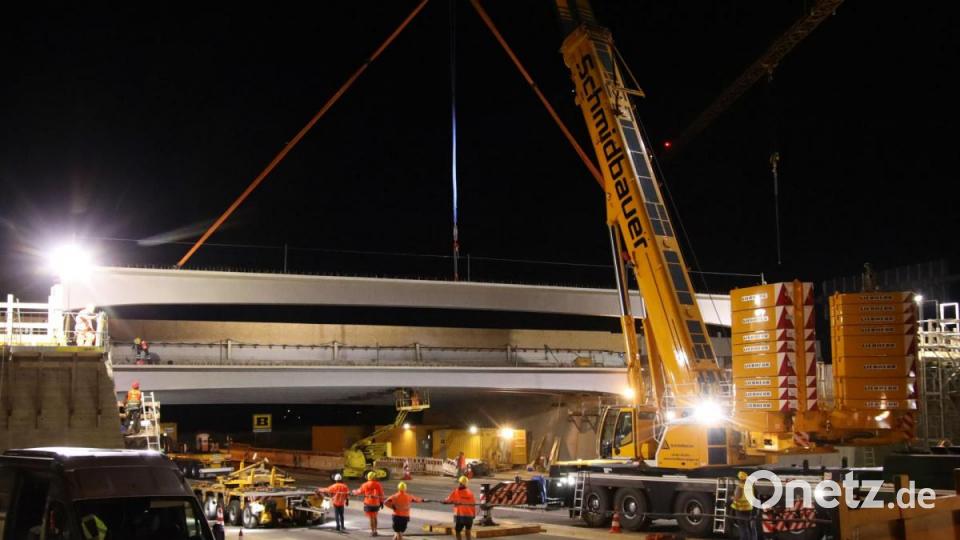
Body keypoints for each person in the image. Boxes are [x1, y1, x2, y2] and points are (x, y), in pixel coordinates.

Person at [444, 476, 476, 540]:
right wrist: (473, 515)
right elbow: (473, 505)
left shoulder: (457, 492)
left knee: (458, 531)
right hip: (469, 516)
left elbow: (448, 500)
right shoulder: (470, 493)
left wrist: (444, 501)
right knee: (468, 532)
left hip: (460, 516)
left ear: (460, 483)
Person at [353, 471, 385, 536]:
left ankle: (372, 531)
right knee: (375, 517)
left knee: (371, 518)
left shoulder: (365, 484)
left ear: (368, 477)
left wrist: (353, 492)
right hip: (376, 504)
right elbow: (381, 494)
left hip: (368, 504)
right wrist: (382, 502)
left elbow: (359, 491)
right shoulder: (378, 484)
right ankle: (375, 531)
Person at [731, 470, 757, 540]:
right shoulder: (750, 486)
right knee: (748, 526)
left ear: (740, 479)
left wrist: (731, 498)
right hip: (748, 509)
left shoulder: (740, 487)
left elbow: (736, 498)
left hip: (740, 510)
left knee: (742, 527)